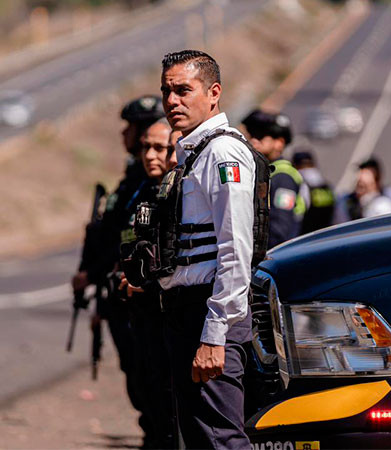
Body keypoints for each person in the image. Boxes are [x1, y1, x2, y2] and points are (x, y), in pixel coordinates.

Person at [156, 49, 265, 449]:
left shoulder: (222, 152)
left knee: (221, 440)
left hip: (210, 312)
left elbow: (235, 249)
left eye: (183, 90)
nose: (172, 101)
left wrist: (214, 333)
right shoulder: (195, 152)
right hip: (187, 312)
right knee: (202, 438)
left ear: (213, 92)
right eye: (167, 91)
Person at [71, 95, 165, 446]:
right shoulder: (134, 180)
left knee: (150, 380)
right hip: (120, 296)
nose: (125, 134)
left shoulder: (154, 182)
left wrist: (94, 274)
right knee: (139, 379)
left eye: (132, 128)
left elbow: (123, 242)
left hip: (138, 297)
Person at [117, 120, 178, 449]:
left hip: (167, 316)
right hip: (139, 316)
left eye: (160, 147)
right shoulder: (139, 190)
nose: (151, 155)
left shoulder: (178, 193)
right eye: (146, 147)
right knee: (147, 393)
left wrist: (149, 284)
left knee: (170, 405)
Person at [242, 109, 309, 247]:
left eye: (260, 136)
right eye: (251, 134)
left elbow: (279, 230)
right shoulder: (263, 172)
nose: (254, 140)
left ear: (279, 142)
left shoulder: (283, 177)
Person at [335, 157, 391, 222]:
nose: (359, 178)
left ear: (376, 182)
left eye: (362, 186)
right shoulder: (348, 202)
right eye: (358, 184)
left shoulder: (382, 206)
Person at [292, 150, 335, 234]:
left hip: (306, 236)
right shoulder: (326, 186)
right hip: (327, 234)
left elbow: (297, 216)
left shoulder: (302, 185)